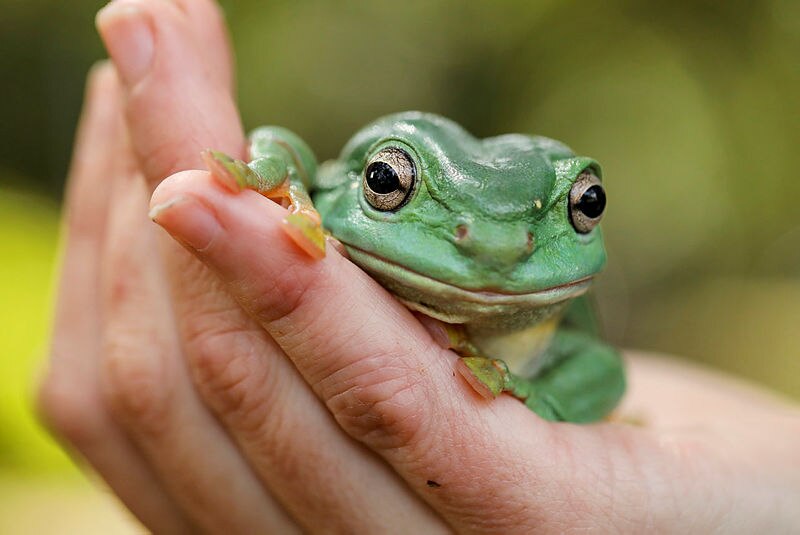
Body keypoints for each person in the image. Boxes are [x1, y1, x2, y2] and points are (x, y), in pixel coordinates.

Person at [39, 0, 800, 532]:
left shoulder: (555, 308)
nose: (495, 246)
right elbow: (287, 153)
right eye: (391, 181)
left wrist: (536, 392)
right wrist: (271, 171)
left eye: (582, 206)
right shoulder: (326, 198)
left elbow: (606, 374)